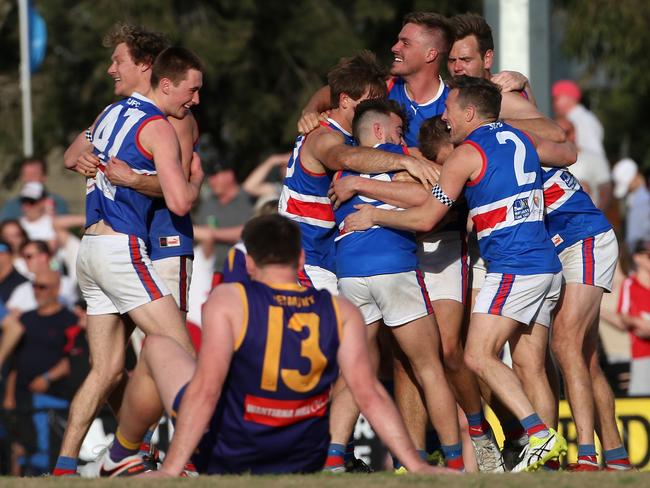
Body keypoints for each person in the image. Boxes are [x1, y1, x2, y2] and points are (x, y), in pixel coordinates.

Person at [82, 214, 452, 477]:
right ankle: (127, 457)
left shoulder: (231, 300)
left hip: (233, 450)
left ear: (251, 263)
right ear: (302, 258)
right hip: (303, 455)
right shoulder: (340, 311)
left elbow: (206, 392)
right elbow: (369, 393)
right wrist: (417, 466)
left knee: (157, 347)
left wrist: (173, 470)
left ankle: (123, 453)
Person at [343, 76, 577, 472]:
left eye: (450, 109)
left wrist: (373, 215)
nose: (444, 117)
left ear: (470, 112)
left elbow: (428, 218)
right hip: (547, 265)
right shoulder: (521, 138)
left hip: (514, 266)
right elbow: (568, 153)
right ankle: (547, 462)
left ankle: (537, 433)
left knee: (476, 354)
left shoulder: (466, 154)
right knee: (530, 364)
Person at [52, 47, 204, 476]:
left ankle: (64, 466)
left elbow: (72, 157)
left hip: (89, 249)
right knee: (180, 353)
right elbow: (179, 200)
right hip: (124, 249)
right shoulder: (158, 127)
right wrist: (193, 178)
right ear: (166, 83)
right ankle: (186, 461)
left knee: (106, 370)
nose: (194, 101)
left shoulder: (108, 113)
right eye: (191, 91)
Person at [328, 98, 463, 472]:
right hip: (392, 268)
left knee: (355, 367)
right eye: (399, 131)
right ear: (378, 131)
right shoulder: (396, 156)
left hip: (350, 273)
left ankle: (334, 456)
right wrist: (384, 213)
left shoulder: (343, 171)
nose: (405, 140)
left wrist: (364, 197)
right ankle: (454, 462)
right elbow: (429, 198)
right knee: (428, 365)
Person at [64, 23, 200, 317]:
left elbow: (179, 190)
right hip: (124, 243)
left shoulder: (176, 118)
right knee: (125, 354)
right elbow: (71, 157)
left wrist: (133, 180)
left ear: (145, 65)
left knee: (165, 348)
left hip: (165, 243)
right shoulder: (117, 112)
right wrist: (90, 157)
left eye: (118, 61)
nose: (110, 69)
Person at [279, 50, 388, 294]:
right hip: (304, 257)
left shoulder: (348, 133)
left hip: (324, 256)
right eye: (370, 102)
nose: (376, 110)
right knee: (332, 328)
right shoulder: (325, 136)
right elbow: (346, 159)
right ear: (345, 100)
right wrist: (408, 163)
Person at [1, 270, 78, 475]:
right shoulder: (25, 320)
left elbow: (72, 359)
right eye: (34, 286)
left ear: (57, 289)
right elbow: (15, 363)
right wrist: (9, 396)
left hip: (52, 399)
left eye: (42, 287)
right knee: (19, 449)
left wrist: (47, 377)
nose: (37, 291)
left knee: (45, 451)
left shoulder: (69, 320)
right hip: (22, 397)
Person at [552, 80, 612, 209]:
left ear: (569, 98)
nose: (554, 103)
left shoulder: (582, 120)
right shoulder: (578, 118)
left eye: (557, 98)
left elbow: (594, 156)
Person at [604, 240, 650, 397]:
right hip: (622, 356)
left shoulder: (627, 283)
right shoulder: (627, 284)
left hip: (629, 355)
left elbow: (622, 321)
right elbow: (622, 318)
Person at [0, 157, 69, 222]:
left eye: (34, 174)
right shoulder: (12, 205)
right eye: (26, 175)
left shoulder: (57, 202)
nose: (30, 178)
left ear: (44, 177)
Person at [612, 158, 650, 254]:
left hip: (641, 256)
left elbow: (633, 238)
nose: (628, 189)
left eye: (628, 185)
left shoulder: (640, 202)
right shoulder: (639, 198)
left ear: (635, 176)